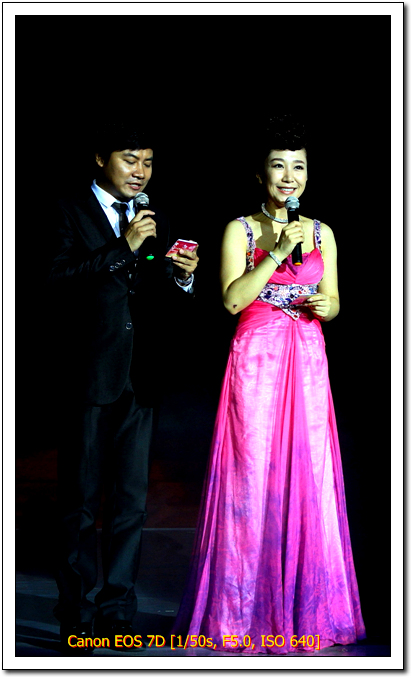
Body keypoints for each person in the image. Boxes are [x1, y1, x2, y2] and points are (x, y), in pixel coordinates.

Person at [172, 116, 365, 654]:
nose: (289, 177)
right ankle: (241, 610)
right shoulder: (241, 229)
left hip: (307, 357)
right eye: (278, 166)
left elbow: (335, 302)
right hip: (257, 357)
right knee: (251, 476)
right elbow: (233, 300)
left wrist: (326, 306)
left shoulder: (323, 232)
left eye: (298, 167)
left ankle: (307, 609)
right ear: (260, 175)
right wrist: (278, 251)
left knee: (308, 475)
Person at [48, 118, 199, 652]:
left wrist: (182, 275)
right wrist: (122, 246)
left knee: (132, 504)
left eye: (149, 162)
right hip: (88, 375)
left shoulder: (152, 216)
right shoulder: (67, 209)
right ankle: (76, 614)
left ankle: (117, 612)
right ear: (100, 158)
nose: (141, 172)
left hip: (140, 378)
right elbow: (54, 281)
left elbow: (151, 294)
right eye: (130, 159)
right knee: (80, 504)